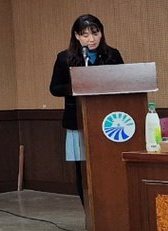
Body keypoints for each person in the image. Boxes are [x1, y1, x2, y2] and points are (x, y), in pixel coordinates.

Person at [48, 14, 123, 205]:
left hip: (109, 122)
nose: (91, 39)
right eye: (85, 35)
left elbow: (124, 82)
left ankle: (111, 208)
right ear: (76, 36)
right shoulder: (65, 58)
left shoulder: (112, 55)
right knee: (83, 170)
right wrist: (77, 86)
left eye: (95, 33)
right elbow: (55, 88)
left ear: (101, 33)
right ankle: (89, 211)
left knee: (108, 167)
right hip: (78, 121)